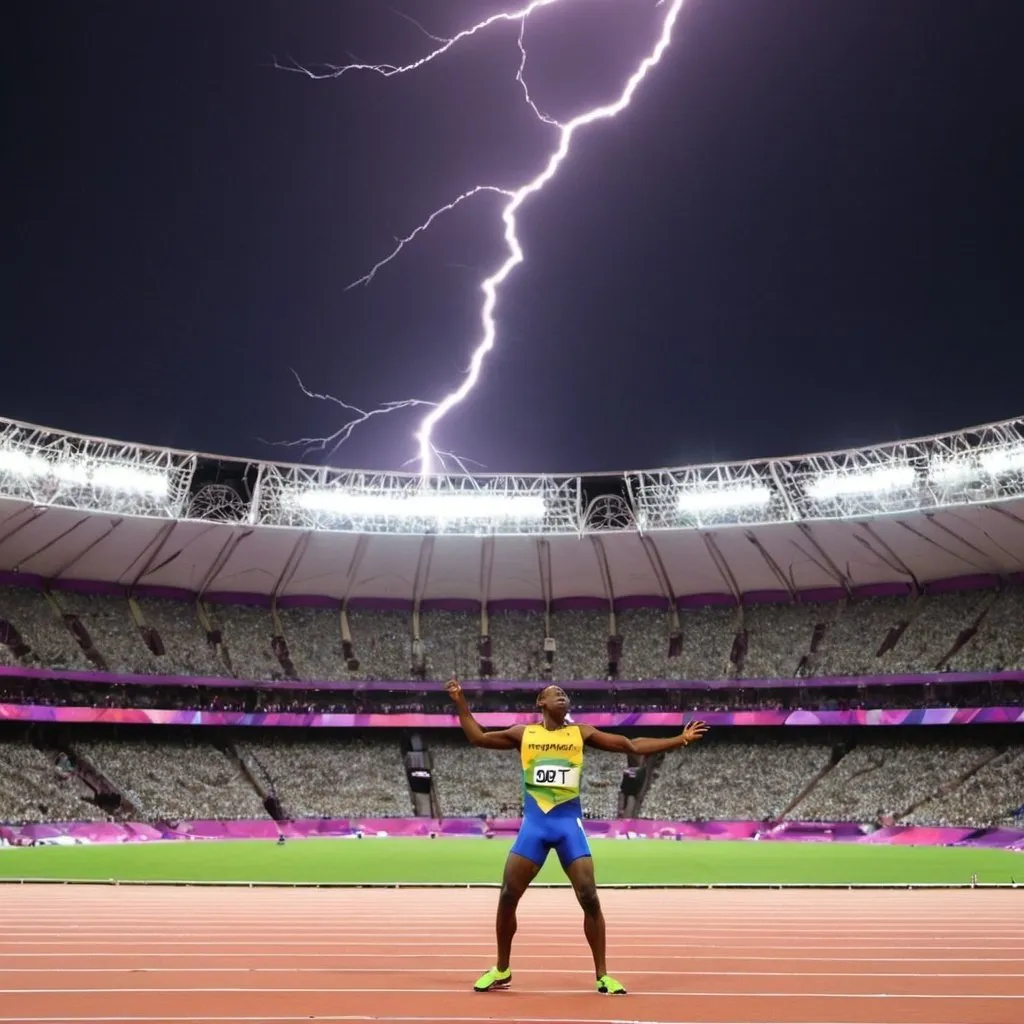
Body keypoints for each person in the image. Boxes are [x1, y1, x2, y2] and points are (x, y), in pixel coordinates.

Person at [445, 676, 708, 995]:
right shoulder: (522, 734)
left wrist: (679, 739)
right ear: (541, 702)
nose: (564, 698)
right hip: (536, 826)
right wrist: (460, 702)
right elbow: (477, 737)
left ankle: (603, 975)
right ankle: (502, 968)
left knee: (589, 897)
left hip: (568, 825)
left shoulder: (580, 733)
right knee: (507, 896)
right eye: (557, 694)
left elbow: (631, 745)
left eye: (566, 695)